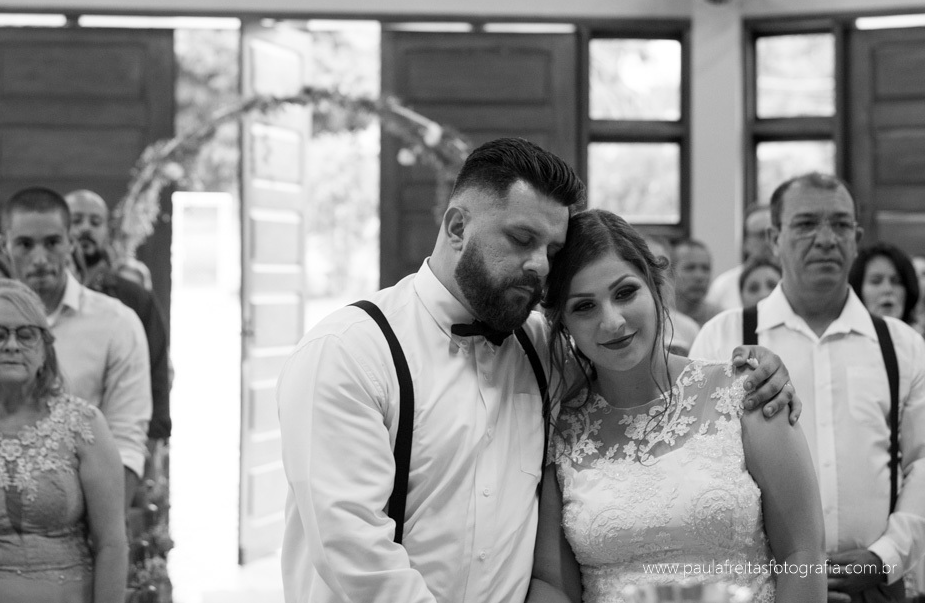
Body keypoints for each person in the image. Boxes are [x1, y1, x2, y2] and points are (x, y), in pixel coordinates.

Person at [278, 137, 796, 603]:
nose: (542, 267)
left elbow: (634, 370)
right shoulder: (349, 353)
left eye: (551, 249)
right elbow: (352, 548)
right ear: (458, 227)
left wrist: (761, 366)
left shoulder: (541, 344)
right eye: (522, 239)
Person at [529, 209, 824, 603]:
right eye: (584, 307)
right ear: (562, 322)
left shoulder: (747, 392)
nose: (613, 321)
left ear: (655, 286)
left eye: (625, 292)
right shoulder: (561, 429)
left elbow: (802, 554)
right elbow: (552, 584)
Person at [692, 173, 925, 603]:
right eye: (805, 224)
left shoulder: (902, 345)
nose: (825, 239)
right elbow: (701, 466)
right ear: (774, 238)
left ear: (856, 238)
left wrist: (885, 555)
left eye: (839, 225)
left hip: (876, 588)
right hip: (763, 586)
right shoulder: (724, 337)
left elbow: (922, 462)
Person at [0, 279, 127, 603]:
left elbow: (111, 544)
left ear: (44, 351)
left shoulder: (84, 425)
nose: (12, 345)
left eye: (26, 335)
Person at [0, 186, 151, 506]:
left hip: (85, 513)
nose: (40, 258)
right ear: (4, 245)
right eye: (25, 245)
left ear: (70, 241)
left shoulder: (116, 324)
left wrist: (105, 531)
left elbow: (127, 443)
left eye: (52, 243)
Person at [66, 188, 172, 444]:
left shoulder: (135, 298)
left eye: (95, 222)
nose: (85, 229)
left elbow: (156, 369)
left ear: (107, 232)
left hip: (118, 436)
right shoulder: (43, 294)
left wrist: (154, 438)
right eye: (76, 220)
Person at [707, 203, 774, 311]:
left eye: (772, 234)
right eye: (761, 235)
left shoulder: (797, 280)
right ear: (746, 241)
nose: (768, 241)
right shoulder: (723, 286)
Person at [642, 234, 701, 356]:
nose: (653, 273)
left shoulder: (689, 328)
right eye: (645, 264)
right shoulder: (622, 326)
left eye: (660, 264)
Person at [850, 242, 921, 327]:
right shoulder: (842, 338)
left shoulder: (917, 339)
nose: (887, 289)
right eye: (876, 281)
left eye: (896, 282)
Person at [671, 237, 721, 327]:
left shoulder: (720, 319)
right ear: (671, 273)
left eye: (706, 268)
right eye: (690, 268)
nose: (699, 276)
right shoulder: (659, 318)